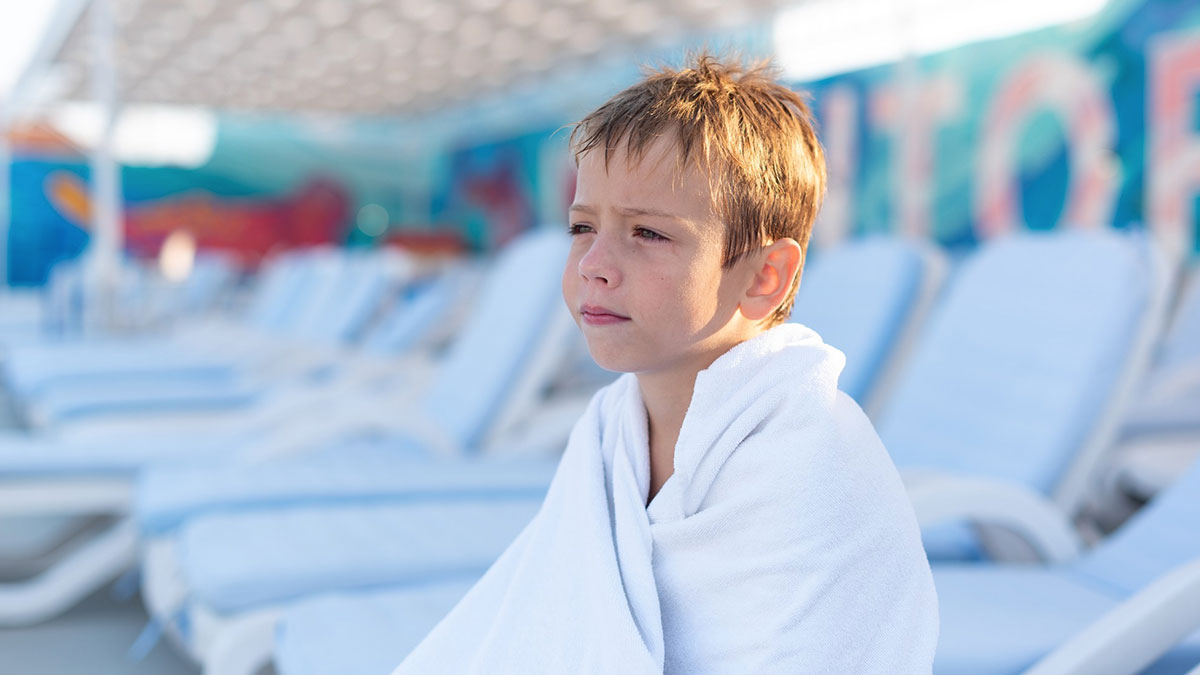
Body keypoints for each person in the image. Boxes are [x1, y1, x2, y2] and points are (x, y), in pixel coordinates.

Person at [395, 53, 938, 673]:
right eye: (581, 228)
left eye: (648, 234)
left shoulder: (814, 469)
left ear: (764, 275)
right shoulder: (610, 431)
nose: (595, 263)